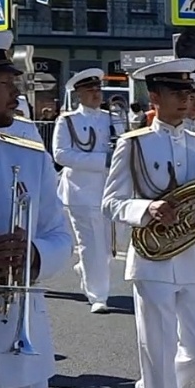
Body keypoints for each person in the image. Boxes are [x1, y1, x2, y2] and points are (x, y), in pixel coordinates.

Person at [101, 58, 195, 388]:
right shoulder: (134, 143)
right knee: (157, 349)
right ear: (154, 97)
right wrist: (146, 208)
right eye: (177, 93)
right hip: (152, 261)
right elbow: (111, 202)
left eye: (190, 93)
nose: (186, 100)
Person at [0, 30, 73, 388]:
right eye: (5, 83)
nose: (16, 93)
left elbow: (61, 236)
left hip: (21, 344)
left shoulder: (30, 155)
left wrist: (34, 256)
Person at [53, 67, 123, 314]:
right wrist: (101, 161)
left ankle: (86, 268)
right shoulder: (68, 121)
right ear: (79, 94)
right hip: (81, 191)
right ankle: (99, 296)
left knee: (108, 245)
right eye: (90, 90)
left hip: (110, 189)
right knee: (90, 243)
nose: (96, 94)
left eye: (98, 89)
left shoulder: (112, 119)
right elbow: (61, 154)